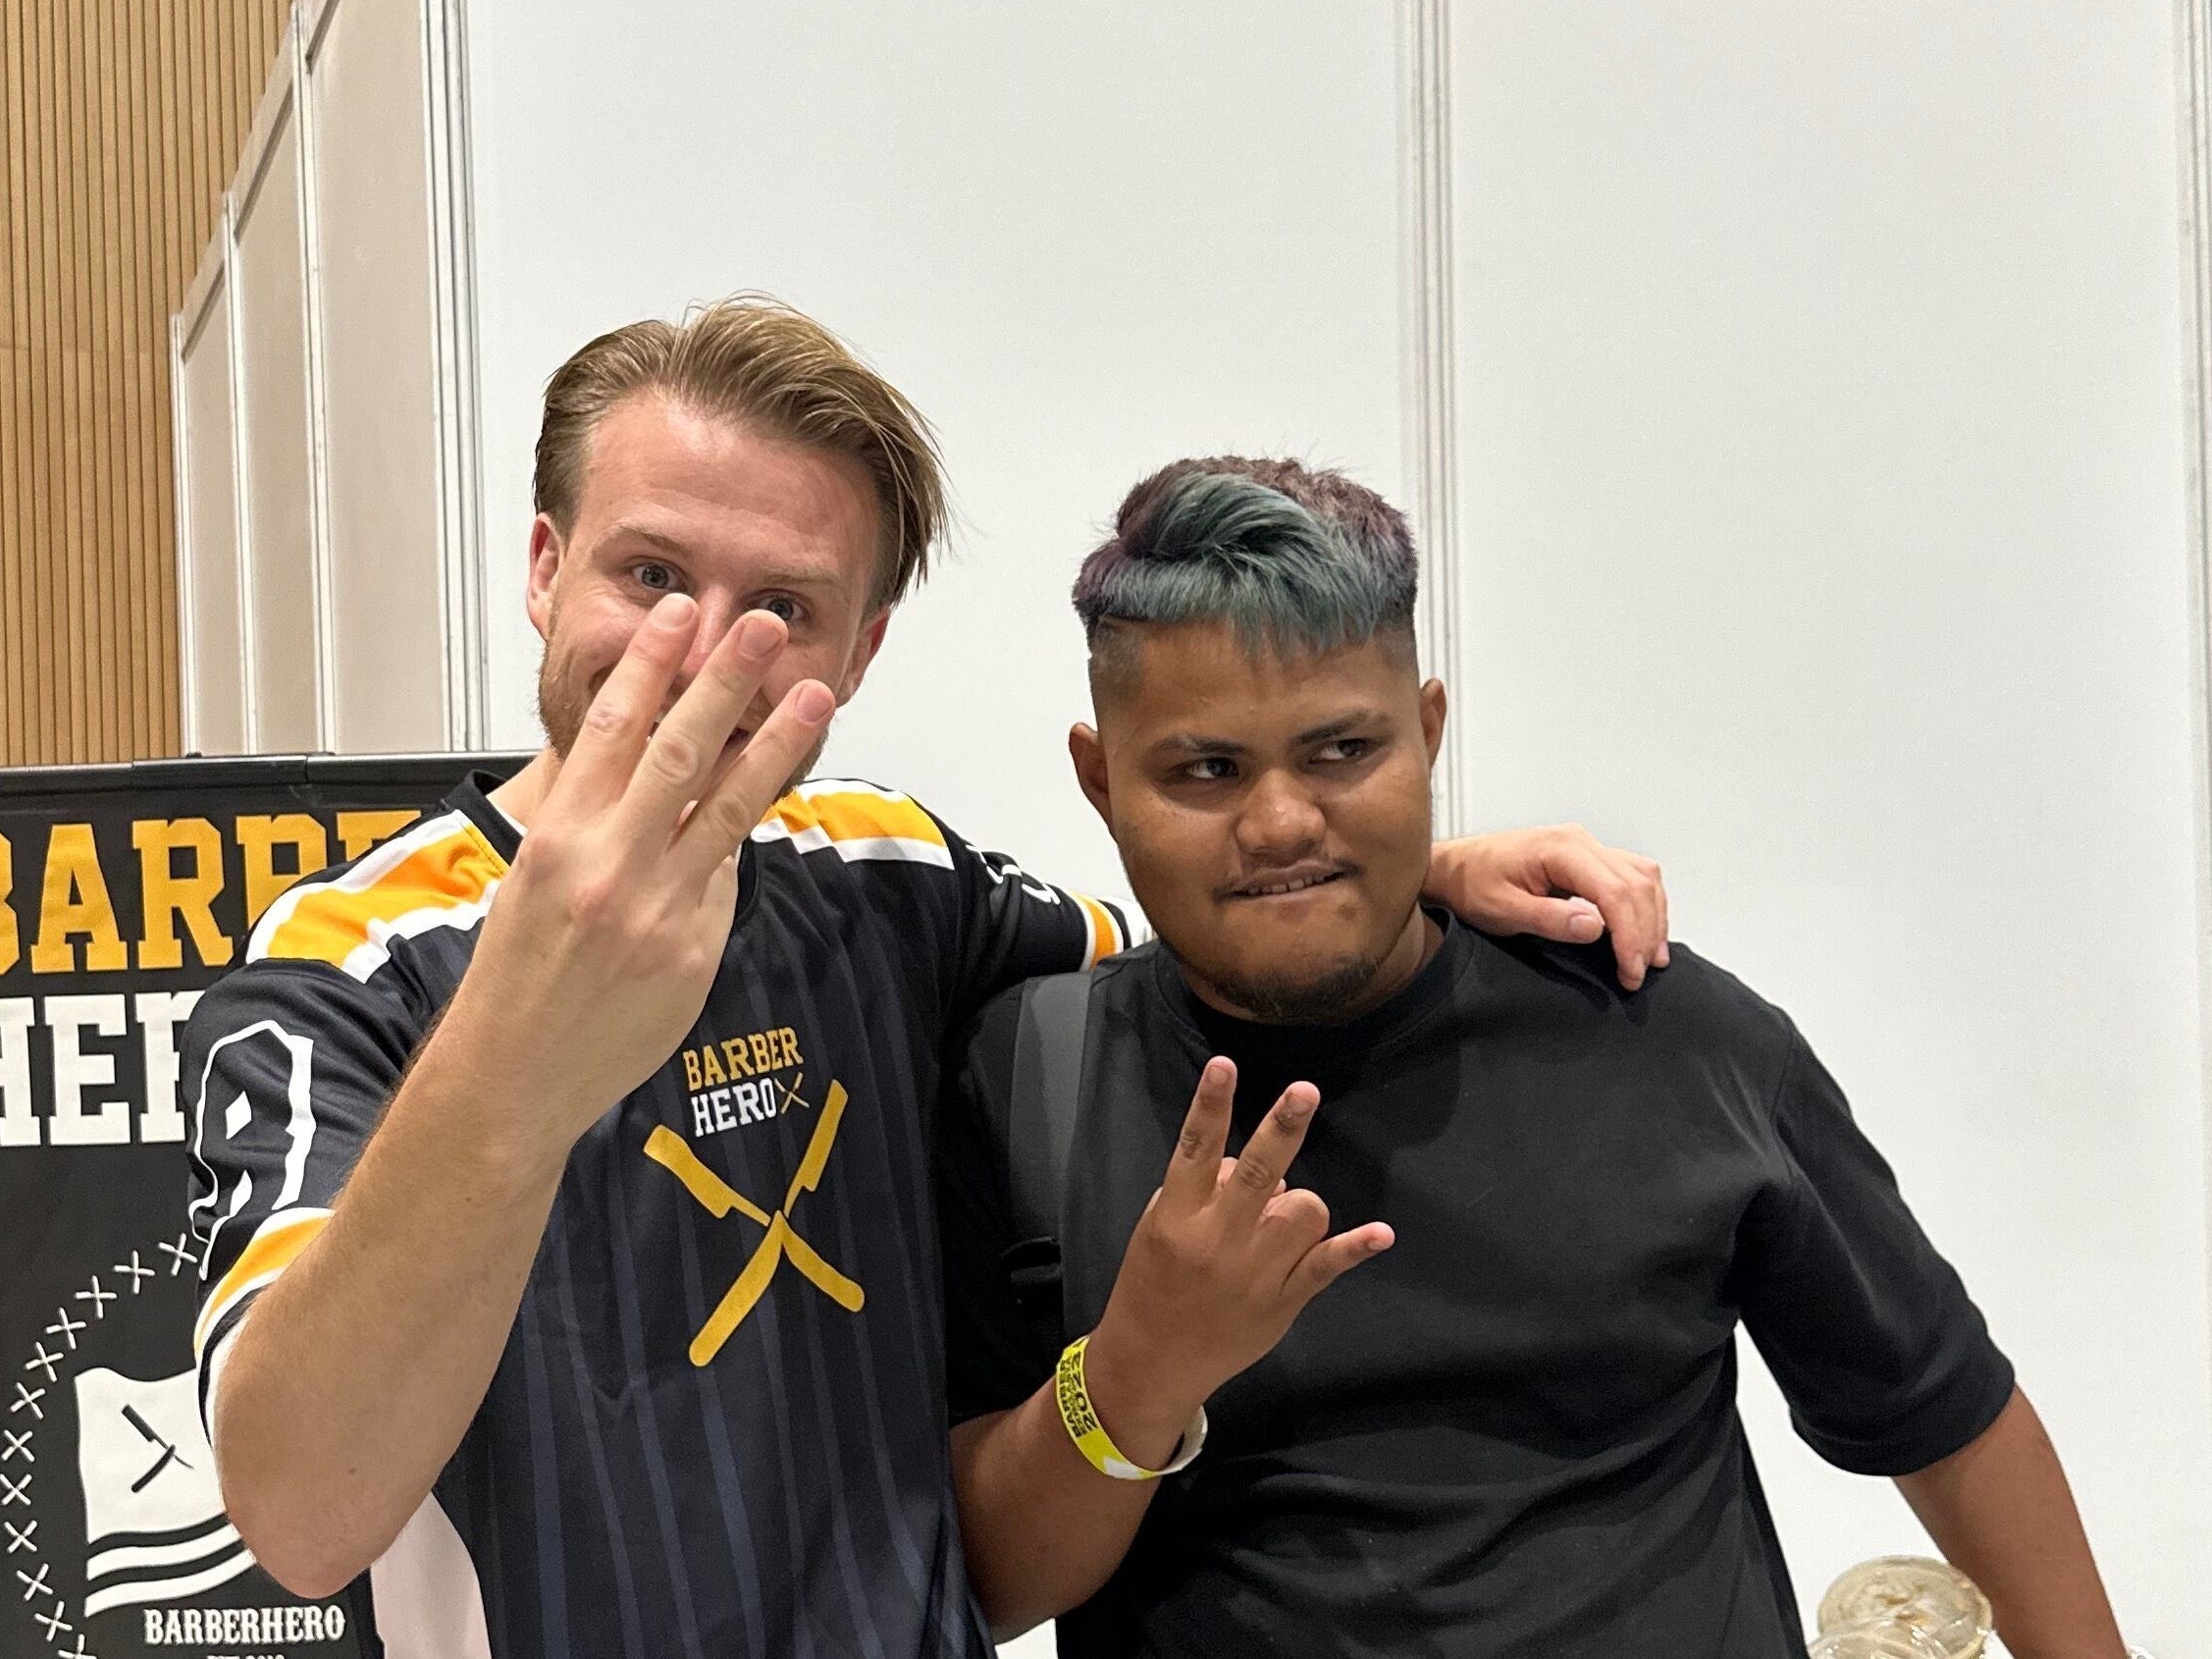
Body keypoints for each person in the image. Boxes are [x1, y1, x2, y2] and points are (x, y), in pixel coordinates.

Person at [180, 298, 1674, 1659]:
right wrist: (517, 1058)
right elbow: (300, 1517)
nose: (705, 653)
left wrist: (1400, 871)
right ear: (543, 567)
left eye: (785, 607)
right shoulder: (344, 969)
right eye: (651, 574)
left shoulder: (880, 871)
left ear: (862, 650)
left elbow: (1176, 957)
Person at [938, 456, 2129, 1658]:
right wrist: (1136, 1376)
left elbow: (1947, 1418)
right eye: (1207, 769)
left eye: (1342, 750)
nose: (1283, 821)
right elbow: (981, 1584)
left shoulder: (1666, 1034)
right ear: (1101, 779)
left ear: (1427, 732)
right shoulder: (1031, 1085)